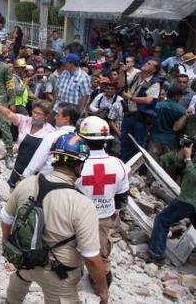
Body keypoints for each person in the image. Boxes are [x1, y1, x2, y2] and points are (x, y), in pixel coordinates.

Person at [0, 133, 108, 304]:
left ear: (54, 159)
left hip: (24, 262)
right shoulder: (82, 204)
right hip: (58, 274)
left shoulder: (27, 183)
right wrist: (103, 290)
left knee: (14, 294)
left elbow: (6, 217)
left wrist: (8, 246)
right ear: (79, 166)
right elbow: (91, 257)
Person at [76, 116, 130, 288]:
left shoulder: (77, 164)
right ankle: (101, 279)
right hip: (103, 217)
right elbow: (122, 197)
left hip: (78, 216)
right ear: (106, 141)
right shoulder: (118, 164)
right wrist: (113, 210)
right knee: (100, 251)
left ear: (83, 139)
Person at [0, 97, 55, 188]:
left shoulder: (50, 132)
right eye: (34, 112)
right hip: (19, 165)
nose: (35, 115)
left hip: (35, 172)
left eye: (39, 114)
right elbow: (9, 114)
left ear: (46, 116)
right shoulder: (25, 121)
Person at [148, 142, 196, 263]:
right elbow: (179, 163)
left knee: (162, 219)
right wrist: (183, 154)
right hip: (190, 198)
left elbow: (194, 177)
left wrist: (189, 158)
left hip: (189, 199)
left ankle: (155, 255)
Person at [21, 103, 80, 178]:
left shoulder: (52, 137)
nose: (55, 117)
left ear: (66, 119)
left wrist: (24, 176)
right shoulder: (79, 140)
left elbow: (37, 160)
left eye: (58, 115)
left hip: (45, 180)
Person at [118, 60, 161, 162]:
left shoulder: (155, 82)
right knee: (125, 143)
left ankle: (136, 171)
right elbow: (121, 85)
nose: (145, 63)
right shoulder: (137, 75)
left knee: (139, 146)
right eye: (146, 62)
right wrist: (122, 72)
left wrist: (131, 98)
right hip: (128, 115)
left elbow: (148, 100)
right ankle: (125, 167)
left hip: (140, 118)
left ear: (154, 70)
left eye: (149, 64)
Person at [51, 54, 92, 126]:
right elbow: (57, 89)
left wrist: (79, 113)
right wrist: (52, 103)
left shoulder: (84, 77)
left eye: (66, 63)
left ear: (71, 64)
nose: (64, 64)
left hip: (71, 112)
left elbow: (85, 97)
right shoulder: (64, 73)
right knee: (49, 125)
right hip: (58, 107)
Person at [148, 85, 185, 162]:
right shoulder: (181, 110)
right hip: (170, 141)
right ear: (176, 97)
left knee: (152, 165)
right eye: (179, 97)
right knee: (168, 167)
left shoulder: (156, 106)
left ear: (167, 94)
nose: (180, 99)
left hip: (154, 139)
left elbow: (149, 122)